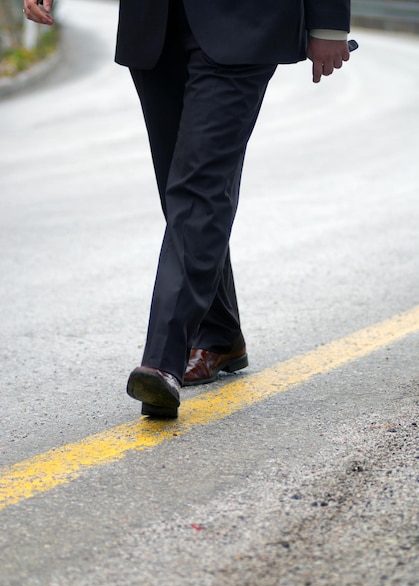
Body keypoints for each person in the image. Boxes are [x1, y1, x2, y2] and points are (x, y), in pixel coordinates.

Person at [24, 0, 352, 419]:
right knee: (179, 192)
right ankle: (220, 335)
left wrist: (328, 21)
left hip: (246, 21)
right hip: (154, 22)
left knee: (197, 189)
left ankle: (162, 361)